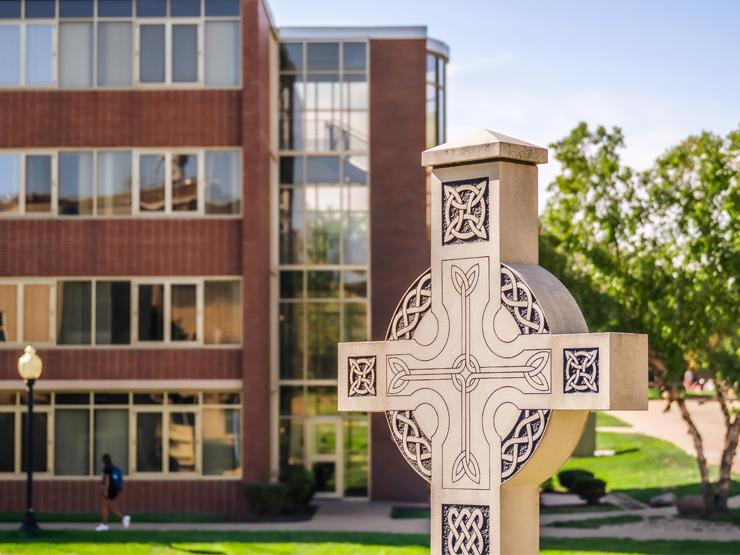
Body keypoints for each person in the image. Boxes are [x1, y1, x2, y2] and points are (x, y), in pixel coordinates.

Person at [96, 454, 131, 531]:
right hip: (115, 490)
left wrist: (105, 490)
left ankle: (105, 525)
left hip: (109, 490)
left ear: (104, 460)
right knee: (110, 508)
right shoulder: (113, 467)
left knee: (104, 507)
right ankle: (124, 518)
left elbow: (107, 479)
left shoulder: (107, 467)